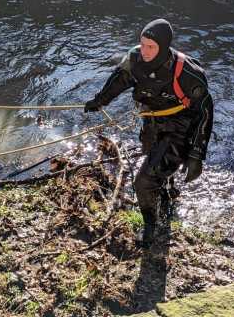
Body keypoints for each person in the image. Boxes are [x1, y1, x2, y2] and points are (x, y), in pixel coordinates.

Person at [84, 19, 213, 247]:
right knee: (155, 165)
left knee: (143, 182)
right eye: (142, 44)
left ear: (163, 47)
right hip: (152, 123)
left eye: (151, 47)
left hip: (180, 128)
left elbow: (205, 111)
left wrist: (196, 155)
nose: (144, 51)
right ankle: (167, 192)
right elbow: (119, 80)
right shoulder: (135, 59)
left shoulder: (187, 73)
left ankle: (151, 226)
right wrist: (99, 101)